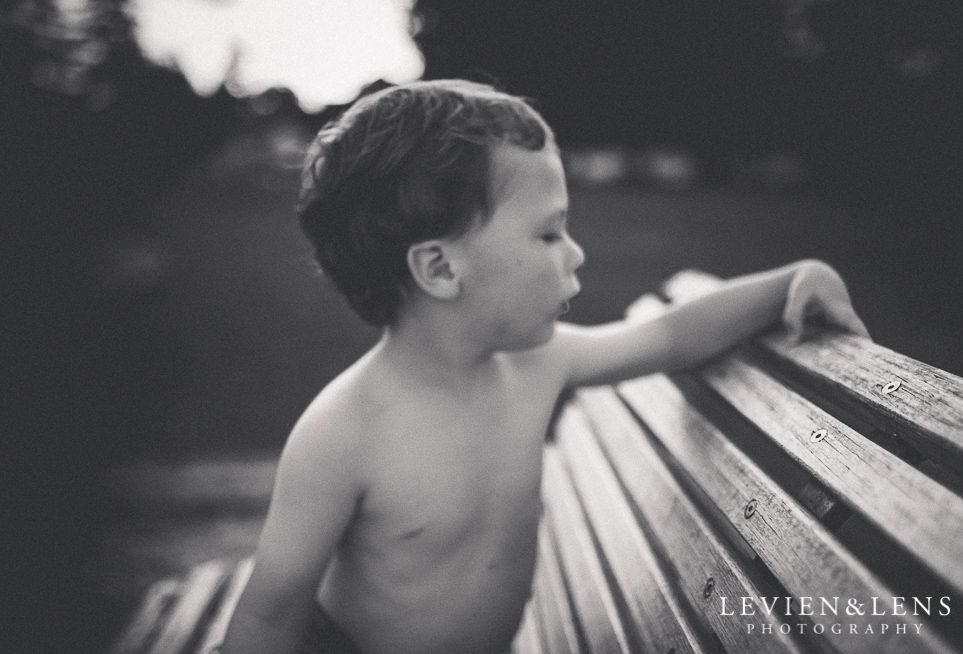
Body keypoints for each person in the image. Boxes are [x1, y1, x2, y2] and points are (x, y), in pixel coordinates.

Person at [221, 79, 869, 654]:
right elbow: (267, 617)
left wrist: (792, 280)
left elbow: (670, 336)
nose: (577, 254)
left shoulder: (536, 365)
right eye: (549, 233)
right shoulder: (344, 432)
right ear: (441, 268)